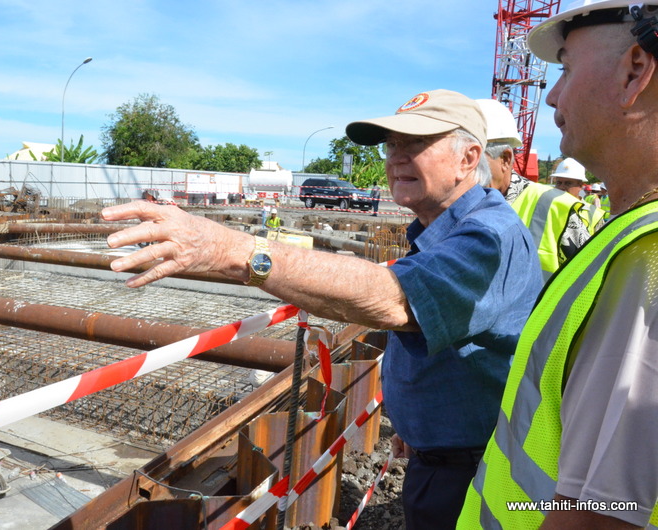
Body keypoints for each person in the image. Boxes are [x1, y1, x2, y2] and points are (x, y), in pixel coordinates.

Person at [100, 89, 542, 529]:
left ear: (469, 158)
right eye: (392, 146)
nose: (395, 159)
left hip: (472, 468)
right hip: (444, 454)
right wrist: (414, 424)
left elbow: (394, 300)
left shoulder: (488, 237)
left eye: (415, 145)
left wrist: (229, 249)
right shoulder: (441, 230)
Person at [458, 2, 658, 527]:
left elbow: (601, 513)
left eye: (566, 68)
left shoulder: (649, 259)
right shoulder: (628, 235)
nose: (552, 94)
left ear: (635, 70)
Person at [477, 98, 590, 280]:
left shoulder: (555, 207)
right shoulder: (456, 204)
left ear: (505, 159)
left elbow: (590, 277)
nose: (461, 173)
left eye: (473, 162)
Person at [552, 157, 607, 233]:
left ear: (580, 186)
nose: (561, 187)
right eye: (559, 183)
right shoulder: (548, 207)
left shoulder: (594, 214)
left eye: (568, 183)